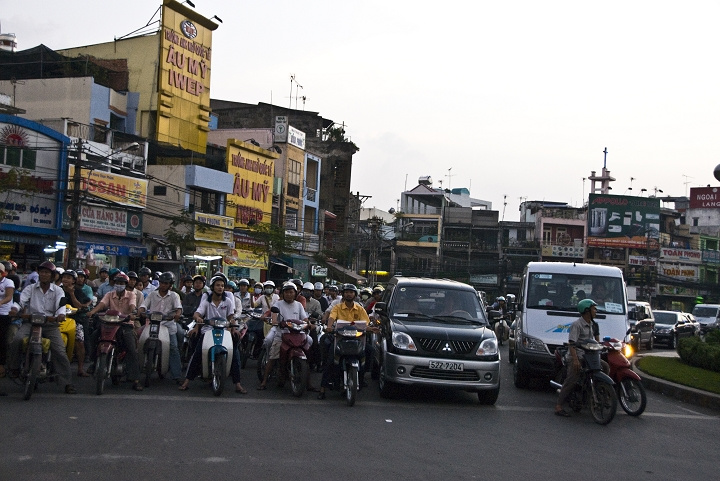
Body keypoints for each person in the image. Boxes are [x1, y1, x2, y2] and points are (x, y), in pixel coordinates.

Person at [9, 261, 76, 394]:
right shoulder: (30, 288)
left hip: (50, 324)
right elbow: (21, 301)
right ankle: (14, 368)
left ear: (52, 276)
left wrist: (61, 314)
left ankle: (67, 382)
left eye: (47, 272)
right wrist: (15, 309)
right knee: (16, 340)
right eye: (42, 272)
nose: (44, 274)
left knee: (59, 350)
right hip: (31, 322)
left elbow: (61, 305)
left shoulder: (58, 290)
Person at [178, 275, 246, 393]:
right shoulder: (206, 301)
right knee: (198, 352)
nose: (220, 288)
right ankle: (187, 381)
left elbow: (231, 317)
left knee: (233, 353)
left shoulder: (228, 301)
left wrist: (234, 328)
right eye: (218, 285)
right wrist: (198, 319)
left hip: (224, 330)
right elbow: (197, 313)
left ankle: (238, 384)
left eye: (222, 286)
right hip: (208, 330)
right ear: (213, 287)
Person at [86, 273, 143, 391]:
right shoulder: (109, 294)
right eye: (117, 283)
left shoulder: (131, 295)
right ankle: (93, 361)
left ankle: (136, 380)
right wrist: (92, 312)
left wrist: (133, 313)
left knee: (131, 349)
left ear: (126, 285)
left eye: (122, 283)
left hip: (125, 325)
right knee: (94, 337)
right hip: (109, 323)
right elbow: (102, 304)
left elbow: (132, 306)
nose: (119, 285)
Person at [318, 283, 373, 399]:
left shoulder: (360, 308)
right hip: (340, 338)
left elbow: (366, 323)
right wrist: (329, 326)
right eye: (347, 292)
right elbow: (332, 318)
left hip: (357, 339)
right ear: (343, 294)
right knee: (330, 360)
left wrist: (371, 329)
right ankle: (323, 388)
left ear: (355, 295)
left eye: (351, 292)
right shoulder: (337, 307)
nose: (349, 294)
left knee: (370, 351)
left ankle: (362, 378)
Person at [554, 299, 608, 417]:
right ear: (587, 310)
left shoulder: (594, 325)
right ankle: (558, 406)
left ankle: (597, 393)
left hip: (589, 356)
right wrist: (575, 361)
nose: (596, 311)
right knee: (572, 380)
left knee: (605, 366)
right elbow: (572, 344)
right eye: (594, 308)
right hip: (576, 355)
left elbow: (597, 341)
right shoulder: (576, 325)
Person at [257, 281, 314, 391]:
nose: (289, 294)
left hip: (297, 333)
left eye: (291, 292)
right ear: (283, 293)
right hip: (282, 333)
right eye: (286, 292)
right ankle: (264, 381)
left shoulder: (298, 305)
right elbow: (274, 317)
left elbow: (304, 318)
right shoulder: (278, 304)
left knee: (308, 353)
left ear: (295, 293)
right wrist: (275, 322)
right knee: (273, 356)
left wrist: (309, 324)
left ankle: (308, 382)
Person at [138, 271, 183, 383]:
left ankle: (177, 375)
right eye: (162, 283)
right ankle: (137, 371)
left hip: (168, 325)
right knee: (142, 342)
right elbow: (144, 305)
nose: (163, 285)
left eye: (166, 283)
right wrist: (141, 310)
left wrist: (177, 314)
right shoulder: (153, 294)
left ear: (170, 284)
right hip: (153, 324)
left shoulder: (174, 295)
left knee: (173, 347)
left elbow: (178, 308)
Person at [60, 270, 92, 377]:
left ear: (73, 280)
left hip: (75, 320)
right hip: (57, 320)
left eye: (69, 278)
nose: (66, 279)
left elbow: (79, 306)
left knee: (80, 341)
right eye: (64, 277)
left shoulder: (78, 291)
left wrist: (71, 294)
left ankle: (80, 368)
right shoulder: (56, 290)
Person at [0, 262, 15, 379]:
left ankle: (2, 365)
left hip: (4, 314)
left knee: (2, 341)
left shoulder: (8, 282)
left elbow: (9, 296)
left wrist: (0, 303)